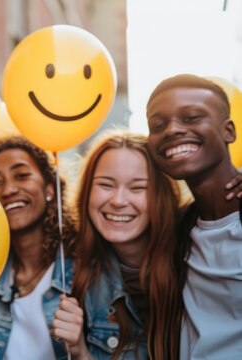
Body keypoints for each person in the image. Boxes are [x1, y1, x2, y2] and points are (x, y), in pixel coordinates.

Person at [57, 131, 183, 360]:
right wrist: (78, 351)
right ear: (87, 192)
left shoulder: (191, 264)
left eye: (137, 188)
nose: (118, 200)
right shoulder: (78, 276)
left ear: (160, 195)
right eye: (106, 184)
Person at [146, 74, 242, 359]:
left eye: (190, 117)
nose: (172, 130)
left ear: (228, 131)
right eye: (157, 125)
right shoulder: (173, 232)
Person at [0, 136, 78, 360]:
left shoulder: (85, 272)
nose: (9, 189)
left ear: (49, 189)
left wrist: (79, 349)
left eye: (22, 176)